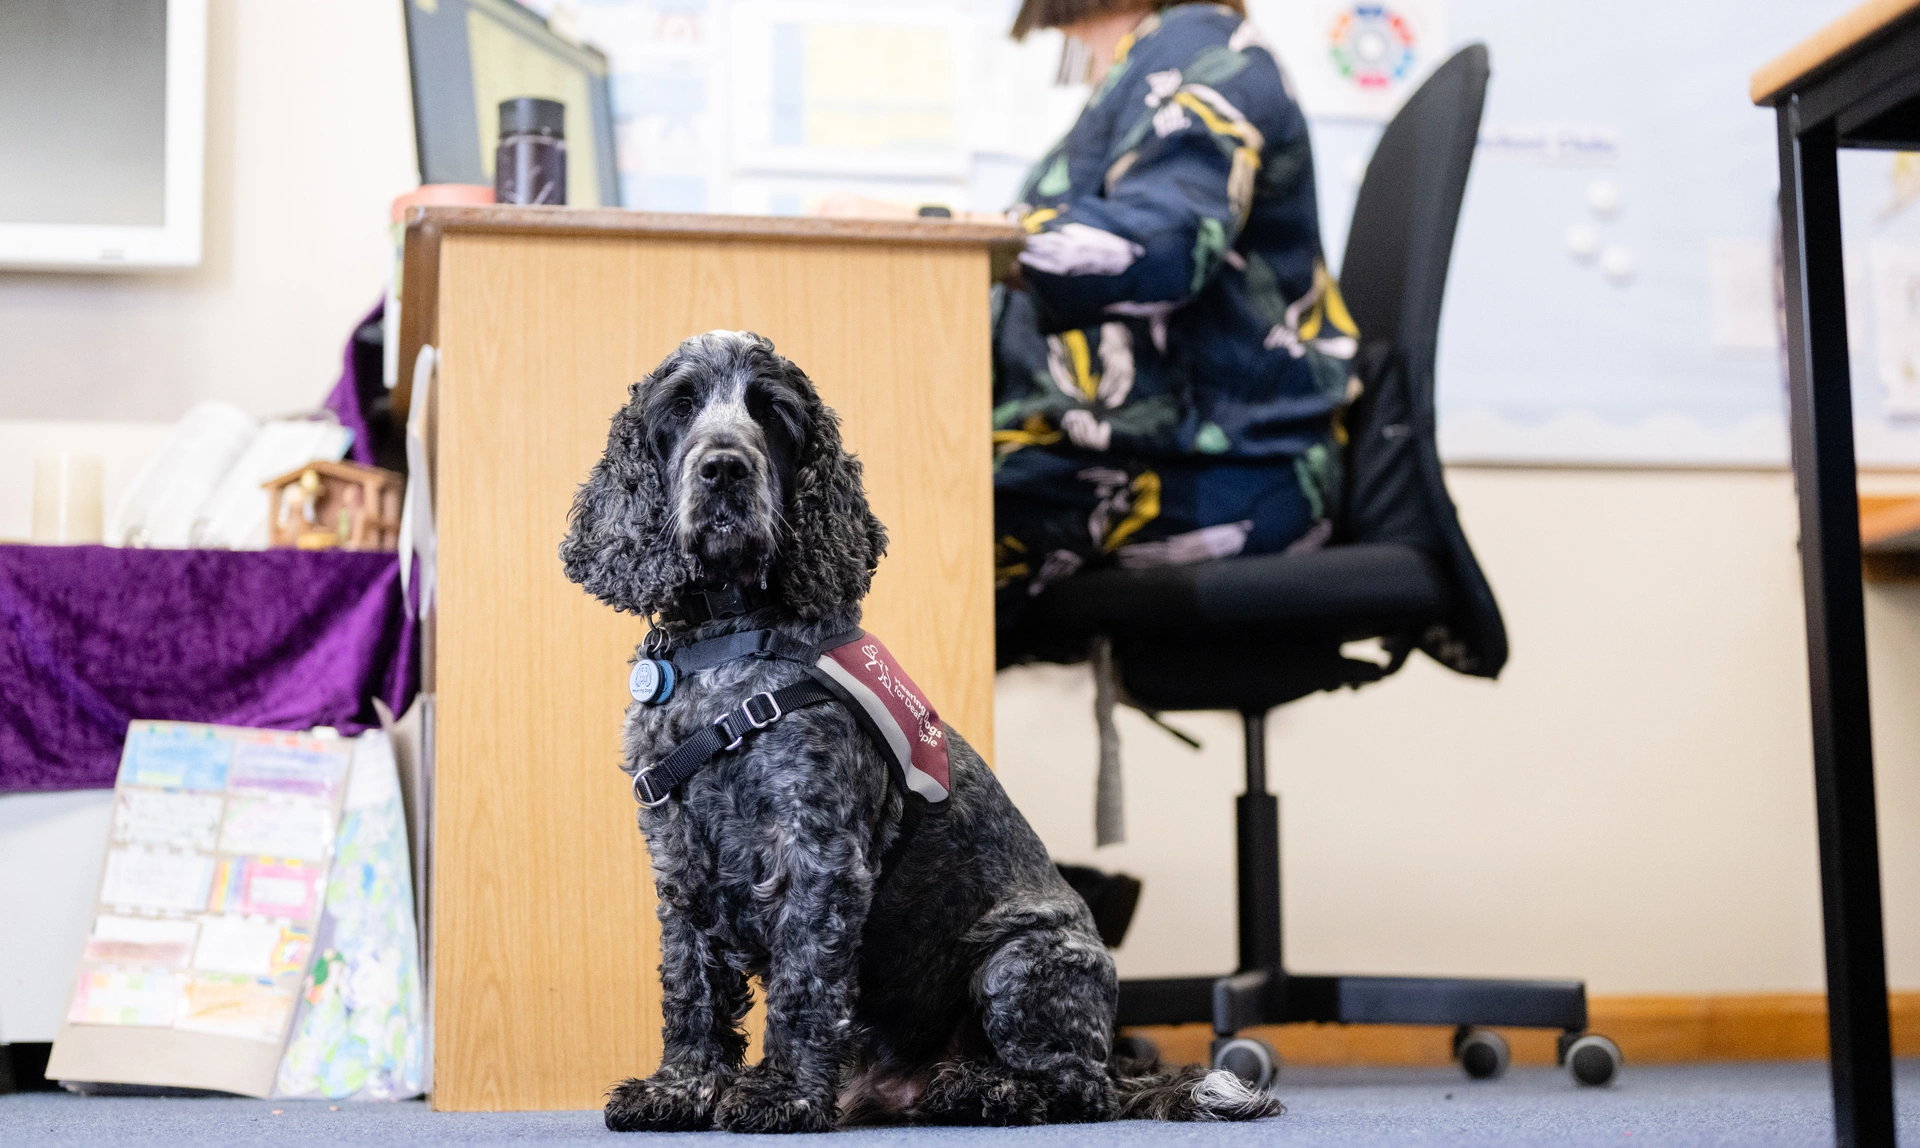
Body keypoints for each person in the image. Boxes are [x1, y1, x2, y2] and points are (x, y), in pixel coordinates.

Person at [991, 0, 1358, 647]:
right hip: (1157, 450)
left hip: (1219, 471)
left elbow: (1163, 247)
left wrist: (941, 229)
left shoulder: (1202, 48)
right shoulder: (1147, 61)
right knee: (864, 509)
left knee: (889, 532)